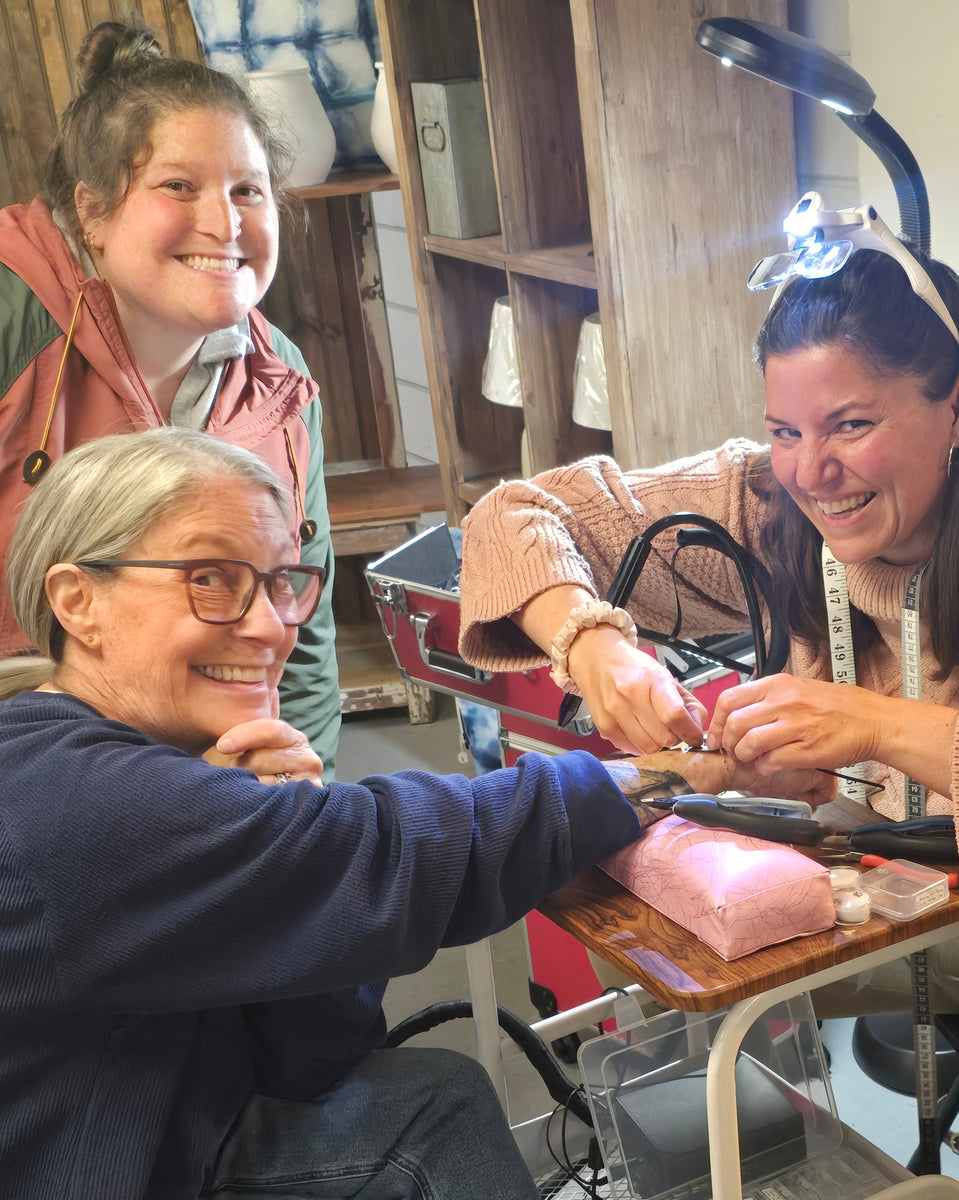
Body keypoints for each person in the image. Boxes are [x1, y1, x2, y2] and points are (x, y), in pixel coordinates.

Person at [457, 208, 959, 1200]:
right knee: (655, 967)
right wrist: (592, 646)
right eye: (787, 429)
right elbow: (519, 516)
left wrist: (884, 727)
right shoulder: (773, 501)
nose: (813, 470)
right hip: (917, 895)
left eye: (853, 424)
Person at [0, 425, 828, 1200]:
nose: (268, 627)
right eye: (209, 579)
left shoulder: (160, 771)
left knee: (430, 1095)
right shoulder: (61, 802)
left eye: (281, 582)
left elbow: (315, 1054)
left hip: (165, 1125)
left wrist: (277, 846)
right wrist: (685, 770)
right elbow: (390, 852)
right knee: (436, 1116)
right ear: (77, 602)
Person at [0, 19, 339, 774]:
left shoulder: (277, 377)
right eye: (177, 186)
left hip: (191, 773)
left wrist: (299, 786)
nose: (223, 224)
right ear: (92, 212)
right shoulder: (9, 320)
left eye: (248, 190)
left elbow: (299, 630)